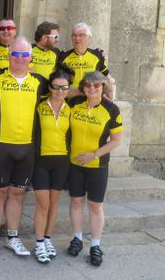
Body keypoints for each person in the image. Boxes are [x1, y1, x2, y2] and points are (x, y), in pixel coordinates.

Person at [0, 36, 47, 257]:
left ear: (31, 58)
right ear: (8, 56)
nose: (20, 58)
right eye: (16, 54)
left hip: (26, 147)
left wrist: (101, 91)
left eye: (24, 54)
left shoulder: (39, 81)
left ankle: (12, 237)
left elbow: (64, 90)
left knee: (18, 193)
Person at [67, 71, 123, 266]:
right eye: (88, 85)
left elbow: (116, 140)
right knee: (75, 201)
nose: (92, 88)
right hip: (74, 164)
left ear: (103, 87)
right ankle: (77, 238)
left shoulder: (111, 109)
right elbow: (59, 91)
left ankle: (95, 245)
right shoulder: (74, 103)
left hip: (97, 165)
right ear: (83, 87)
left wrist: (94, 154)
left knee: (95, 206)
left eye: (97, 85)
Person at [32, 66, 73, 263]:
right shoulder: (39, 106)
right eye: (56, 87)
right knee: (43, 203)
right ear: (49, 87)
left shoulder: (71, 109)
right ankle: (39, 242)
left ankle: (47, 239)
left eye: (64, 88)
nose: (60, 91)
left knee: (54, 203)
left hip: (62, 162)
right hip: (40, 161)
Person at [58, 22, 112, 99]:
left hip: (91, 101)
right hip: (70, 101)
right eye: (74, 35)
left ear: (89, 38)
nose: (77, 38)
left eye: (81, 35)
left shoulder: (98, 55)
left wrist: (110, 99)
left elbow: (106, 78)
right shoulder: (63, 56)